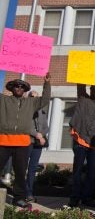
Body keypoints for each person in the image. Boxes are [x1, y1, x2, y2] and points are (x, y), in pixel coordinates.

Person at [0, 74, 51, 208]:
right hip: (3, 141)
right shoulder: (3, 99)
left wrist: (46, 83)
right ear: (11, 88)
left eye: (22, 86)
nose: (19, 87)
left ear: (25, 90)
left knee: (21, 172)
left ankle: (18, 198)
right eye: (16, 85)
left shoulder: (31, 102)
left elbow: (45, 99)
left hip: (22, 142)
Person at [68, 84, 95, 208]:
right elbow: (80, 87)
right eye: (94, 89)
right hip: (81, 141)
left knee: (92, 173)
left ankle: (87, 198)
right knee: (77, 171)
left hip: (94, 146)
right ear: (90, 90)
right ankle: (74, 198)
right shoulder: (83, 99)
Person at [25, 90, 50, 203]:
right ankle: (21, 192)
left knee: (32, 168)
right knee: (22, 167)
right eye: (31, 96)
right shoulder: (25, 109)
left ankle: (29, 193)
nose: (34, 98)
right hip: (27, 142)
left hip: (38, 144)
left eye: (36, 97)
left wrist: (42, 135)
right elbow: (26, 125)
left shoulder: (42, 112)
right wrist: (37, 135)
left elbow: (46, 127)